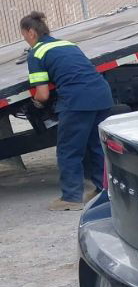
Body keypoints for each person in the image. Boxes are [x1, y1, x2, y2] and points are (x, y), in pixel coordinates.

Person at [20, 12, 114, 211]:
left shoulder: (36, 53)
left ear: (30, 32)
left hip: (77, 101)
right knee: (96, 146)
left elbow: (43, 94)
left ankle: (71, 198)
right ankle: (103, 191)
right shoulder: (67, 44)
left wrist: (35, 103)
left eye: (24, 35)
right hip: (102, 95)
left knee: (69, 150)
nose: (25, 40)